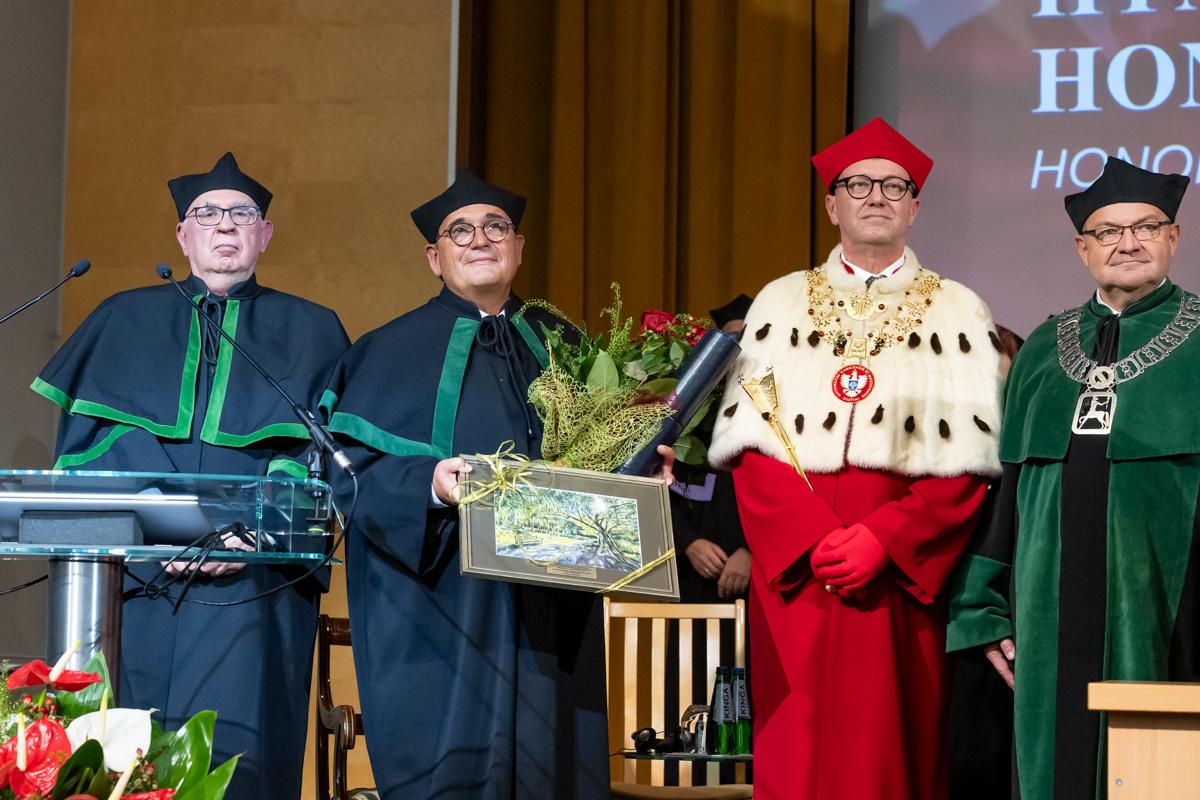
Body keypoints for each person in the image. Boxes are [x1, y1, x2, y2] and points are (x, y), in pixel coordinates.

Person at [321, 168, 672, 799]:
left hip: (553, 603)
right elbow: (346, 473)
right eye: (460, 231)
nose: (480, 239)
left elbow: (602, 466)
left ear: (518, 247)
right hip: (440, 603)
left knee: (557, 763)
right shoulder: (386, 351)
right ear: (435, 256)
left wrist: (644, 472)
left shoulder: (564, 345)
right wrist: (428, 483)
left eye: (496, 227)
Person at [31, 152, 349, 799]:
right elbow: (82, 453)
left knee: (238, 758)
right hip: (131, 583)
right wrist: (152, 513)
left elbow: (326, 466)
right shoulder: (122, 319)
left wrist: (253, 531)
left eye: (242, 214)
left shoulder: (314, 331)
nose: (225, 226)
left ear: (264, 235)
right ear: (183, 235)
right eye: (207, 214)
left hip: (252, 585)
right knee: (118, 753)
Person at [707, 117, 1004, 800]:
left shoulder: (959, 310)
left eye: (894, 186)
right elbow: (751, 445)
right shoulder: (779, 302)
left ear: (915, 207)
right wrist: (811, 539)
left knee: (890, 756)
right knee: (798, 752)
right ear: (832, 203)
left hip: (898, 579)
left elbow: (970, 465)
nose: (876, 197)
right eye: (858, 184)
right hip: (799, 578)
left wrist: (885, 539)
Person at [947, 157, 1199, 800]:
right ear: (1082, 248)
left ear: (1174, 237)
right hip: (1045, 612)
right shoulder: (1041, 348)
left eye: (1146, 227)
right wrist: (983, 604)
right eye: (1109, 232)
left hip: (1172, 608)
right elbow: (1005, 491)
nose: (1128, 243)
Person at [672, 294, 752, 602]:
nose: (739, 350)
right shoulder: (687, 414)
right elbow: (660, 487)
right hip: (690, 575)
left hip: (755, 584)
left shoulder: (782, 420)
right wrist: (687, 543)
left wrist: (750, 552)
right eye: (731, 341)